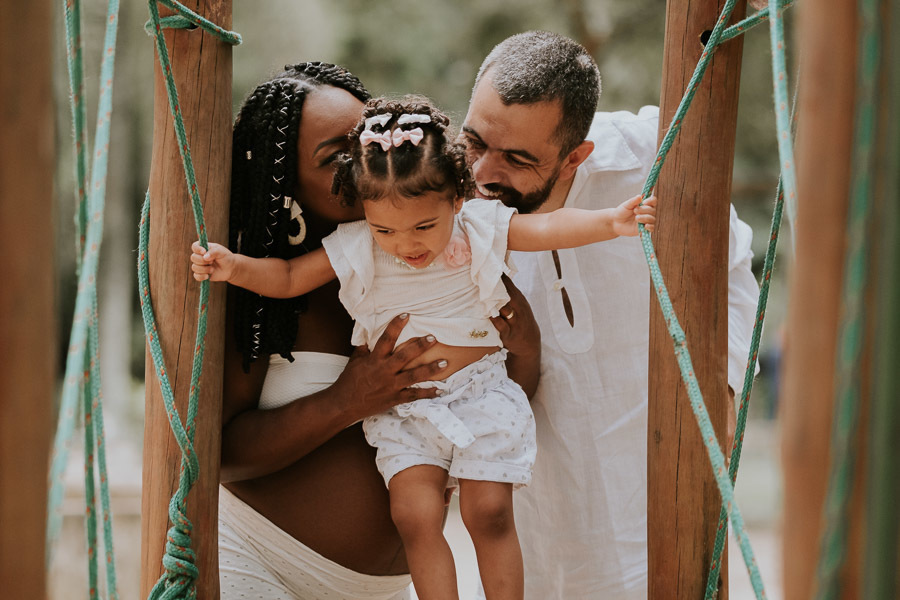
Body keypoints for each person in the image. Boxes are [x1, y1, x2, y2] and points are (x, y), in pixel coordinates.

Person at [193, 95, 657, 600]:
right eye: (385, 228)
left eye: (421, 228)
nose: (405, 244)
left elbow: (543, 229)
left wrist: (610, 222)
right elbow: (284, 277)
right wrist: (233, 267)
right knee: (414, 515)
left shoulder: (473, 229)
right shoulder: (358, 247)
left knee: (489, 513)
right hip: (387, 439)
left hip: (478, 394)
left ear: (455, 200)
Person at [215, 62, 542, 600]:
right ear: (288, 183)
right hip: (260, 561)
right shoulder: (269, 293)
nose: (362, 160)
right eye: (333, 157)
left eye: (363, 137)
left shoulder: (453, 261)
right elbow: (222, 453)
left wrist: (524, 347)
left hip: (390, 589)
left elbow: (494, 404)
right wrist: (347, 399)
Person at [460, 32, 760, 598]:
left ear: (576, 155)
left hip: (661, 494)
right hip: (542, 519)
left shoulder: (657, 158)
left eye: (517, 159)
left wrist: (725, 385)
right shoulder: (446, 200)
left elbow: (735, 261)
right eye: (475, 142)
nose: (482, 174)